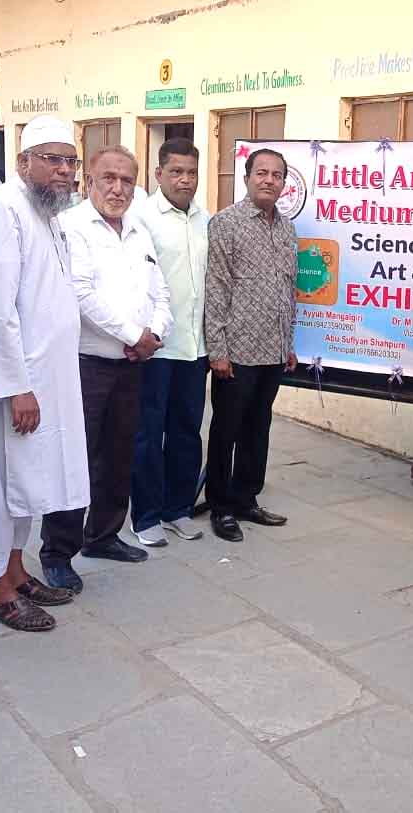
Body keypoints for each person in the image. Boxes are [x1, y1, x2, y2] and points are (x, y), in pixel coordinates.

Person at [0, 116, 89, 631]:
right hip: (17, 382)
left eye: (70, 161)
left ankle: (16, 572)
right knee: (3, 483)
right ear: (23, 162)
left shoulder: (49, 212)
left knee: (30, 482)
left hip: (50, 378)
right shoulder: (3, 209)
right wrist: (16, 386)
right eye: (52, 159)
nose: (64, 170)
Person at [40, 145, 171, 591]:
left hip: (132, 365)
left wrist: (154, 333)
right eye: (108, 179)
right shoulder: (71, 227)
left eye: (127, 180)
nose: (118, 189)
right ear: (89, 182)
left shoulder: (138, 230)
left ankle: (104, 535)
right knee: (75, 458)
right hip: (85, 364)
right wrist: (134, 335)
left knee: (119, 454)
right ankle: (58, 551)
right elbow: (80, 294)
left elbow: (160, 291)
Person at [203, 148, 299, 543]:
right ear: (246, 178)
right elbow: (216, 288)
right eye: (262, 173)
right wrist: (218, 350)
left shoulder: (287, 229)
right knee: (226, 430)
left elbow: (288, 290)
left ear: (283, 183)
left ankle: (246, 498)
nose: (269, 180)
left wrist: (288, 343)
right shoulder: (226, 224)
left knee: (259, 428)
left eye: (277, 175)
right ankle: (221, 506)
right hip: (237, 351)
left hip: (273, 350)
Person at [130, 138, 210, 547]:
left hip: (195, 347)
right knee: (148, 432)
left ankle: (178, 508)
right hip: (158, 347)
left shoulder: (204, 219)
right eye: (176, 171)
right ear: (158, 174)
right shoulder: (141, 219)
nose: (185, 179)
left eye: (191, 172)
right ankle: (146, 516)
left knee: (187, 431)